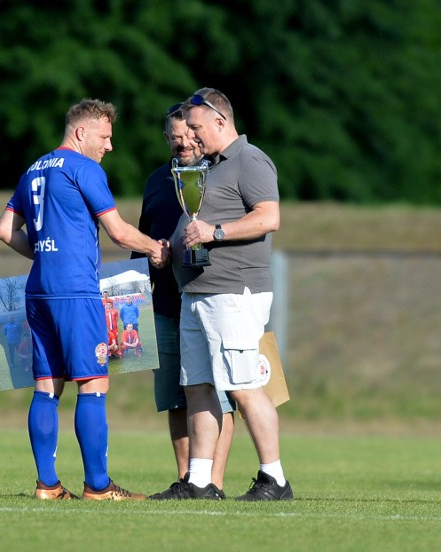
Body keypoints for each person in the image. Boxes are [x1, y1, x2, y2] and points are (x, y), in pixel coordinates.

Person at [0, 98, 169, 501]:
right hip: (76, 292)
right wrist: (156, 249)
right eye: (105, 137)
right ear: (81, 132)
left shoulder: (34, 168)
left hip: (38, 290)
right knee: (93, 383)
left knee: (46, 386)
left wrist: (45, 254)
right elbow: (119, 232)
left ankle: (47, 486)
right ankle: (98, 486)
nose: (109, 146)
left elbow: (4, 230)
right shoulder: (84, 169)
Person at [150, 88, 292, 501]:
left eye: (196, 127)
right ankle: (199, 481)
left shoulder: (250, 160)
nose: (191, 137)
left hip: (234, 292)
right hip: (196, 292)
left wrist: (216, 233)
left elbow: (269, 216)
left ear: (219, 121)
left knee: (244, 386)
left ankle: (275, 478)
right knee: (197, 387)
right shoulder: (208, 167)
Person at [132, 103, 236, 498]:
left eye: (189, 135)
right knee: (175, 397)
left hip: (215, 297)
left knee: (222, 396)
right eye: (174, 137)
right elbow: (143, 238)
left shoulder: (223, 175)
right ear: (166, 139)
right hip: (164, 304)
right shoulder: (157, 180)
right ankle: (186, 478)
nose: (183, 143)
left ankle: (215, 482)